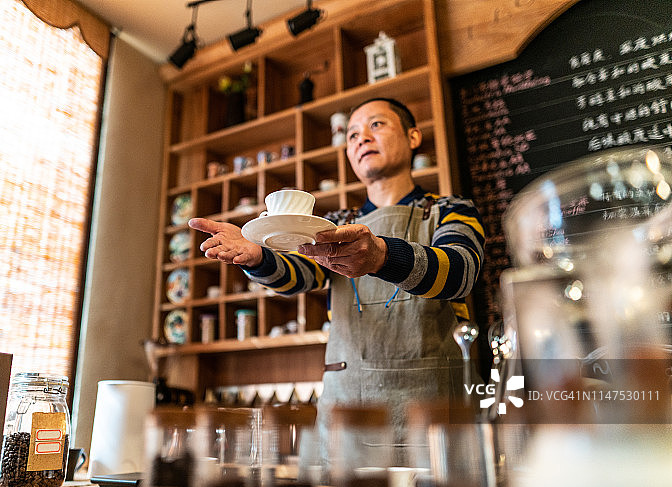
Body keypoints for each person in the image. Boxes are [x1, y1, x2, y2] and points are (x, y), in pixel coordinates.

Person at [189, 97, 485, 466]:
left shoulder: (450, 210)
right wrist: (259, 256)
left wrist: (381, 256)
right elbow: (300, 274)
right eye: (352, 135)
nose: (362, 139)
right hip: (345, 420)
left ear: (413, 137)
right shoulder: (334, 223)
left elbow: (460, 272)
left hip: (434, 417)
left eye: (376, 125)